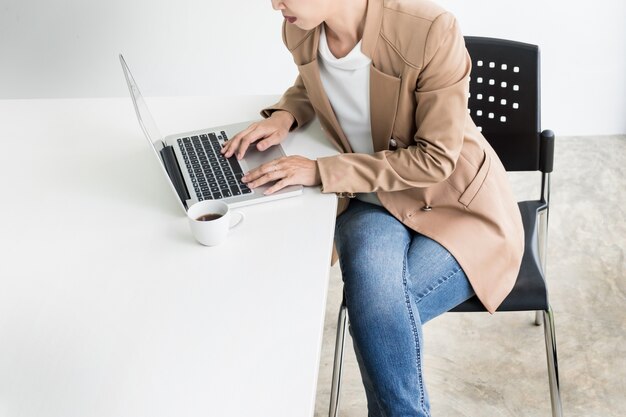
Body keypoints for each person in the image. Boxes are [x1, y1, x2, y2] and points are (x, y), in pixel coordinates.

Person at [221, 0, 524, 415]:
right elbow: (314, 84)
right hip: (370, 201)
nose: (274, 3)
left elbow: (435, 159)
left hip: (455, 206)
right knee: (379, 313)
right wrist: (285, 116)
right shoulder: (299, 26)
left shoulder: (430, 29)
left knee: (377, 315)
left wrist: (321, 170)